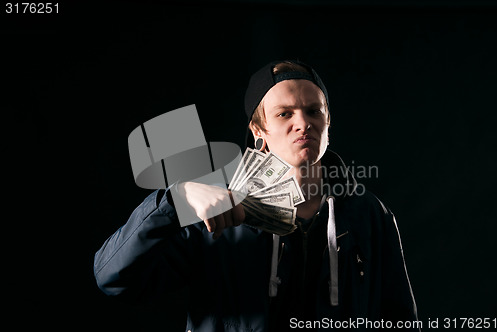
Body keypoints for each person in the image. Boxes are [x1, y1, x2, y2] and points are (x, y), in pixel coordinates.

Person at [94, 60, 420, 331]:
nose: (303, 123)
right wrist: (174, 202)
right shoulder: (213, 210)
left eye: (313, 111)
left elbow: (400, 320)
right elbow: (115, 278)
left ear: (328, 122)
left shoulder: (368, 214)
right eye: (284, 114)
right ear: (258, 132)